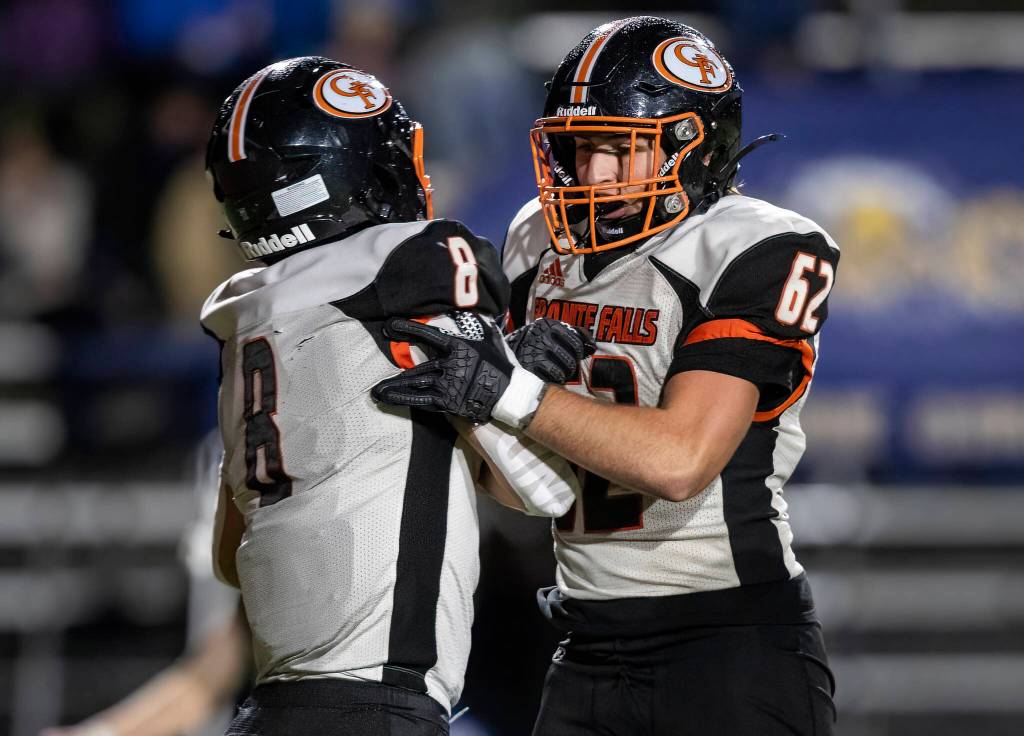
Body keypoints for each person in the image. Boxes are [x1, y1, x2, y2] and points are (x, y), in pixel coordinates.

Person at [373, 17, 840, 736]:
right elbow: (530, 492)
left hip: (728, 647)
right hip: (583, 646)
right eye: (581, 147)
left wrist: (511, 392)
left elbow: (681, 461)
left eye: (621, 150)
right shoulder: (537, 239)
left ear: (693, 147)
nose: (592, 175)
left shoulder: (757, 245)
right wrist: (484, 417)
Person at [201, 57, 581, 736]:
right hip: (377, 708)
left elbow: (231, 558)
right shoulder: (409, 262)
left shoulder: (243, 321)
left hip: (267, 711)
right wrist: (520, 384)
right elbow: (546, 490)